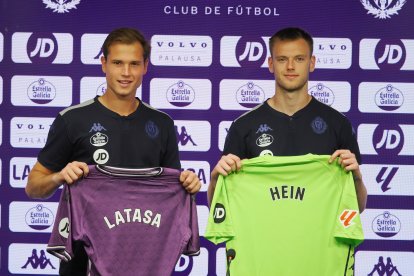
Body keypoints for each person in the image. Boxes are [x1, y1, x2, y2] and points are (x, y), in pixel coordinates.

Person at [26, 27, 201, 275]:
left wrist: (188, 183)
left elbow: (171, 187)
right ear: (103, 64)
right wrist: (59, 176)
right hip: (82, 265)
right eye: (118, 63)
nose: (126, 73)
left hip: (144, 262)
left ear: (145, 67)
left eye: (134, 64)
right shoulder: (72, 120)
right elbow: (33, 186)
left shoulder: (162, 124)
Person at [207, 27, 367, 212]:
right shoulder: (244, 126)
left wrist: (356, 177)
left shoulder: (337, 124)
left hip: (318, 239)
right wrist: (214, 180)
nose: (290, 66)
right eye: (282, 59)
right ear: (271, 64)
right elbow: (219, 208)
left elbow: (359, 207)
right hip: (263, 237)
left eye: (299, 59)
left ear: (312, 63)